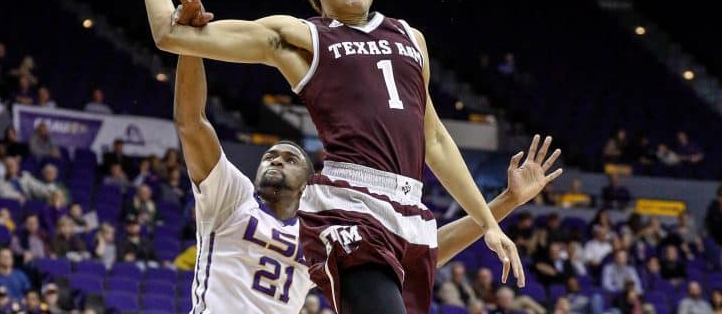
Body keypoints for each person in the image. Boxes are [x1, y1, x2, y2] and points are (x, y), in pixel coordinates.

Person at [121, 0, 534, 314]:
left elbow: (436, 141)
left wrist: (489, 222)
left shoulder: (412, 39)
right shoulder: (302, 37)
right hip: (348, 203)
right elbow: (166, 35)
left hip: (409, 208)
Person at [169, 49, 561, 313]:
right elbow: (192, 123)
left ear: (308, 183)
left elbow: (425, 250)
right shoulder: (231, 200)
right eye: (271, 156)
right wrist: (191, 45)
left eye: (290, 158)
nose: (276, 160)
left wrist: (507, 201)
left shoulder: (321, 229)